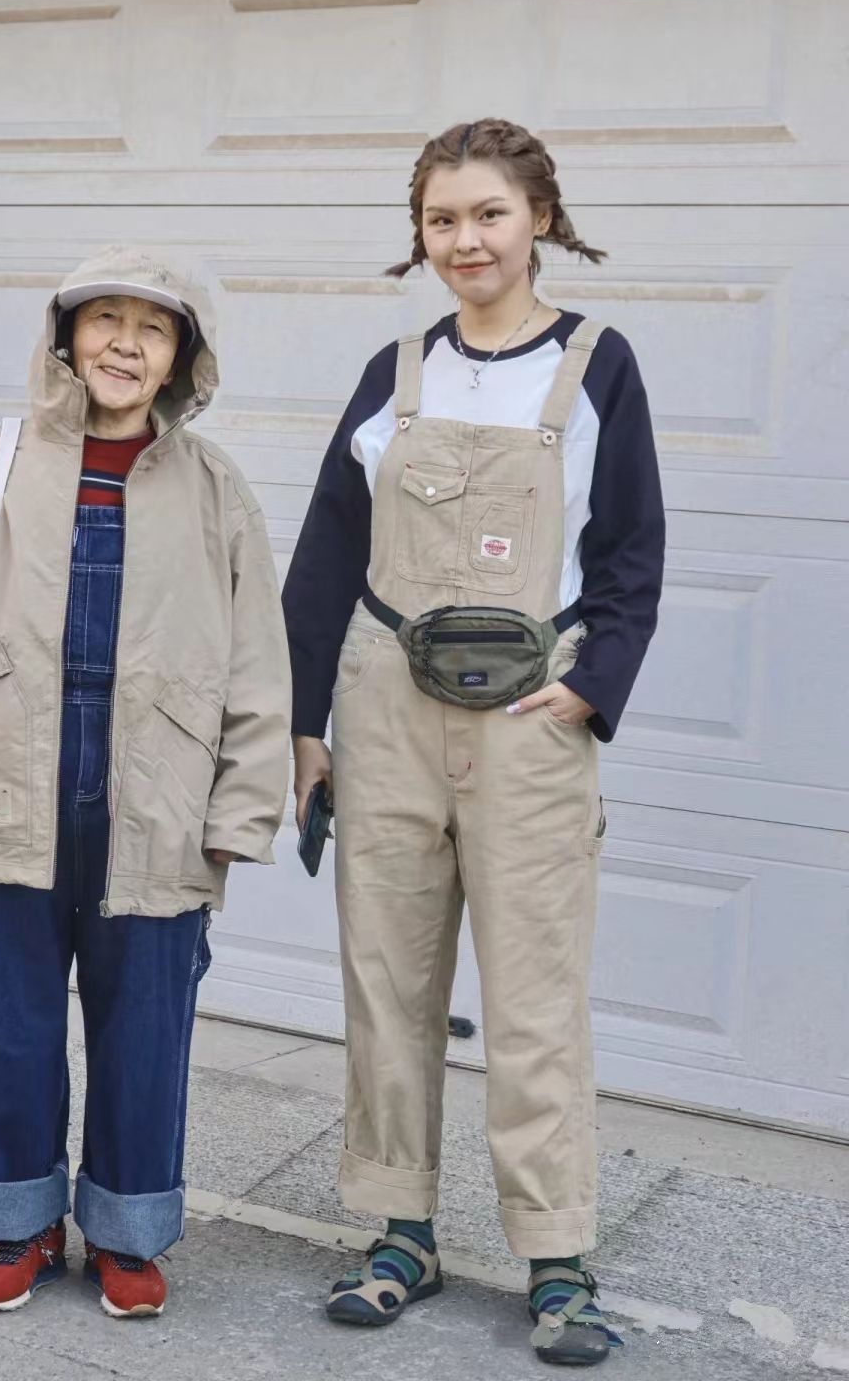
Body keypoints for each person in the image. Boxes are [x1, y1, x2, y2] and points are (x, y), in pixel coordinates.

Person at [283, 119, 664, 1366]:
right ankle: (401, 1232)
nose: (466, 242)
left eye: (489, 215)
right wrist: (302, 722)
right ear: (421, 234)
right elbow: (330, 549)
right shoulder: (396, 371)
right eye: (442, 221)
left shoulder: (600, 368)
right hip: (385, 704)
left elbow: (631, 552)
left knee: (536, 995)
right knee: (388, 980)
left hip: (526, 716)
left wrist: (593, 686)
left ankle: (557, 1258)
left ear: (539, 217)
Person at [0, 247, 291, 1318]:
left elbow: (255, 656)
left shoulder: (213, 487)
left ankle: (128, 1232)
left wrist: (242, 802)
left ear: (180, 360)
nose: (124, 345)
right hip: (11, 776)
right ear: (65, 340)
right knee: (5, 1022)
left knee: (146, 1026)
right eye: (104, 320)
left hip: (160, 795)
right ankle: (15, 1222)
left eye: (152, 329)